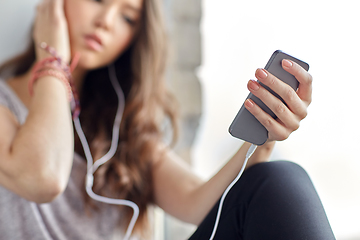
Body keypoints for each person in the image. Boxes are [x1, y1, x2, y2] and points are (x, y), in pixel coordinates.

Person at [0, 0, 336, 239]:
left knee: (278, 180)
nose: (106, 21)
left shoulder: (122, 128)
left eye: (128, 18)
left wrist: (264, 136)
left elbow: (198, 202)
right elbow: (42, 176)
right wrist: (53, 58)